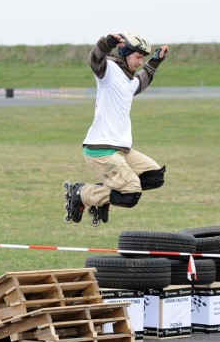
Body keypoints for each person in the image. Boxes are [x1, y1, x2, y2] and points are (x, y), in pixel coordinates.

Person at [65, 32, 169, 225]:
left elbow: (142, 80)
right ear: (125, 52)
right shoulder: (108, 70)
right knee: (130, 194)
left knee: (155, 177)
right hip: (101, 150)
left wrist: (155, 61)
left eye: (142, 58)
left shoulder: (129, 80)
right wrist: (107, 43)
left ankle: (100, 196)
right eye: (138, 57)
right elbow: (94, 58)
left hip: (121, 150)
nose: (140, 62)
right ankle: (83, 193)